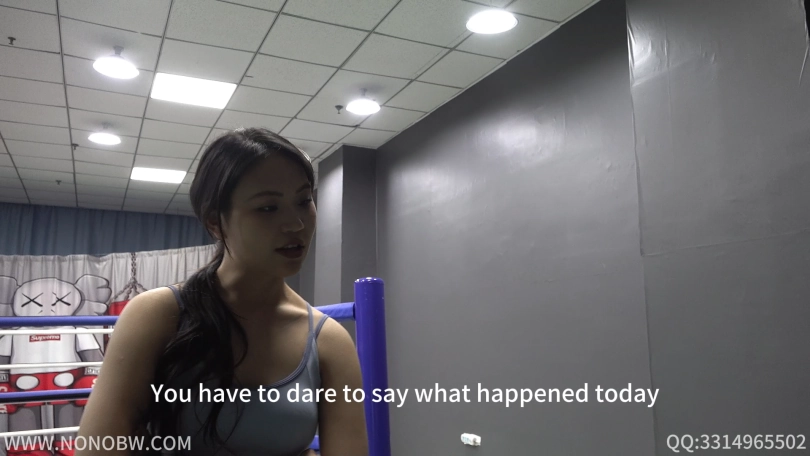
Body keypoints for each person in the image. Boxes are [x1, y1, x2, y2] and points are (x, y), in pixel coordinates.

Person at [76, 128, 368, 456]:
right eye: (268, 208)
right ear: (215, 221)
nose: (296, 224)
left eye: (304, 201)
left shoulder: (329, 342)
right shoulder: (158, 315)